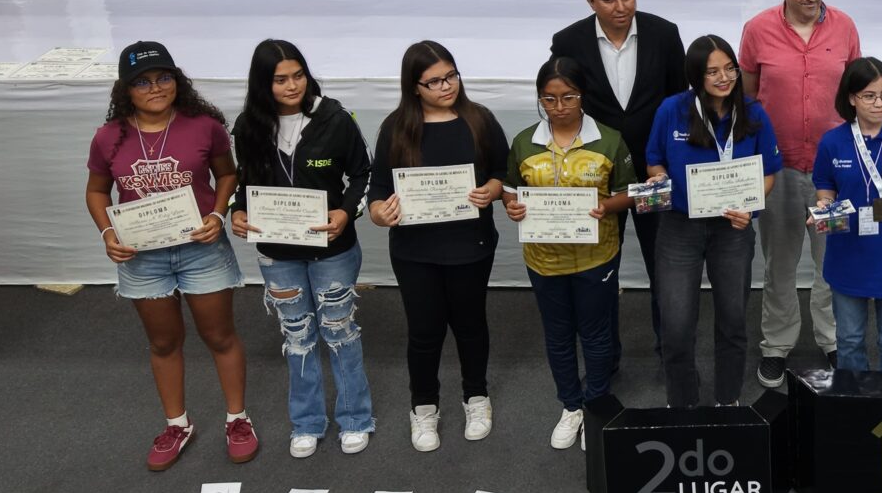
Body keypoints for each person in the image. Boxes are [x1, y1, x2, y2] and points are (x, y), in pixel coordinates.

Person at [86, 41, 249, 471]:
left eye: (163, 77)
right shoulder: (108, 137)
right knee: (163, 342)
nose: (155, 87)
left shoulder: (205, 125)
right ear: (126, 89)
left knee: (219, 336)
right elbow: (97, 191)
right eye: (142, 82)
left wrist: (218, 213)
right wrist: (107, 233)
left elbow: (228, 174)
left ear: (177, 80)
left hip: (201, 249)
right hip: (143, 257)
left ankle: (238, 419)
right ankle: (177, 424)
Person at [229, 39, 374, 459]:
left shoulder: (335, 117)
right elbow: (244, 183)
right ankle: (307, 423)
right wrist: (238, 211)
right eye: (280, 79)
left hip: (333, 249)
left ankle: (355, 418)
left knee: (340, 332)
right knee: (297, 336)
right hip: (278, 252)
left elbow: (365, 174)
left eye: (298, 75)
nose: (292, 86)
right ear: (262, 84)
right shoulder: (248, 125)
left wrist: (346, 213)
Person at [367, 40, 509, 450]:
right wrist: (378, 212)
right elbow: (378, 187)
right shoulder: (396, 127)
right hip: (415, 250)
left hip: (471, 243)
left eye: (451, 76)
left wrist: (493, 190)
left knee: (470, 325)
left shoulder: (479, 119)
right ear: (414, 87)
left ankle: (476, 397)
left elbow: (502, 170)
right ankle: (424, 408)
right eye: (434, 82)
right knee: (424, 331)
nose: (446, 86)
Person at [550, 0, 686, 353]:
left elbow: (680, 106)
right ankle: (603, 355)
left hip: (654, 176)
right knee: (598, 274)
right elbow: (562, 110)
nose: (620, 6)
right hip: (597, 180)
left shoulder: (665, 34)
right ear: (590, 0)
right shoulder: (567, 42)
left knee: (665, 271)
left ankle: (671, 351)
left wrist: (669, 167)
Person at [738, 0, 858, 387]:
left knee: (833, 264)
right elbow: (748, 98)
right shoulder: (757, 30)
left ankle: (833, 340)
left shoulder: (844, 26)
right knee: (780, 265)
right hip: (780, 169)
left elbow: (855, 93)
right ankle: (776, 346)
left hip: (834, 172)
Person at [506, 57, 637, 448]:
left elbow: (628, 192)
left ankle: (596, 404)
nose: (559, 106)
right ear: (540, 99)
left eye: (568, 97)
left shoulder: (609, 139)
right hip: (544, 260)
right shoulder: (524, 141)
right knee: (558, 335)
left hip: (596, 256)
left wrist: (605, 207)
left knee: (596, 335)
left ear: (583, 96)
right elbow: (512, 189)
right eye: (549, 98)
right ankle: (570, 405)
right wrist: (511, 207)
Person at [644, 34, 781, 406]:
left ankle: (727, 399)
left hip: (732, 230)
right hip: (679, 227)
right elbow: (654, 158)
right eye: (712, 72)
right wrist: (657, 178)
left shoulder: (753, 111)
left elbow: (769, 171)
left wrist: (750, 206)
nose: (724, 78)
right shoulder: (672, 109)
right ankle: (683, 400)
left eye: (730, 69)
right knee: (675, 326)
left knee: (733, 321)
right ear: (695, 76)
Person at [811, 57, 882, 372]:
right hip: (849, 254)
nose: (879, 103)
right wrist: (824, 205)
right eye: (869, 96)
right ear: (851, 98)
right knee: (848, 340)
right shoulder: (833, 142)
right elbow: (824, 185)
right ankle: (854, 403)